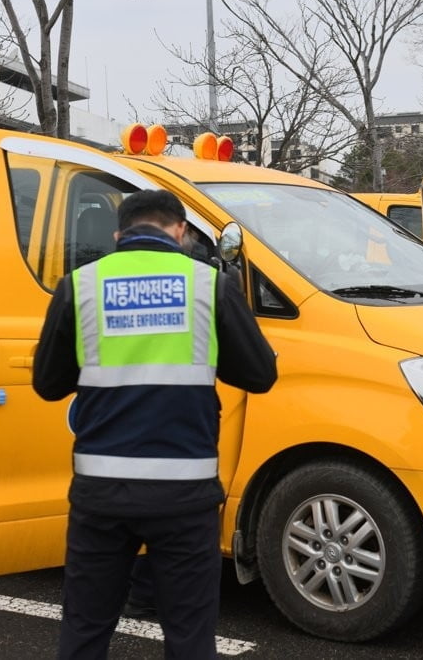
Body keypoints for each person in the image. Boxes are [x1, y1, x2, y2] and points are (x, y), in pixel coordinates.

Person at [33, 189, 278, 658]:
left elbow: (48, 384)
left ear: (119, 234)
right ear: (181, 231)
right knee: (189, 633)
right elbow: (260, 375)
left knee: (86, 626)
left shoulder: (80, 285)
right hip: (184, 495)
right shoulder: (211, 285)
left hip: (101, 493)